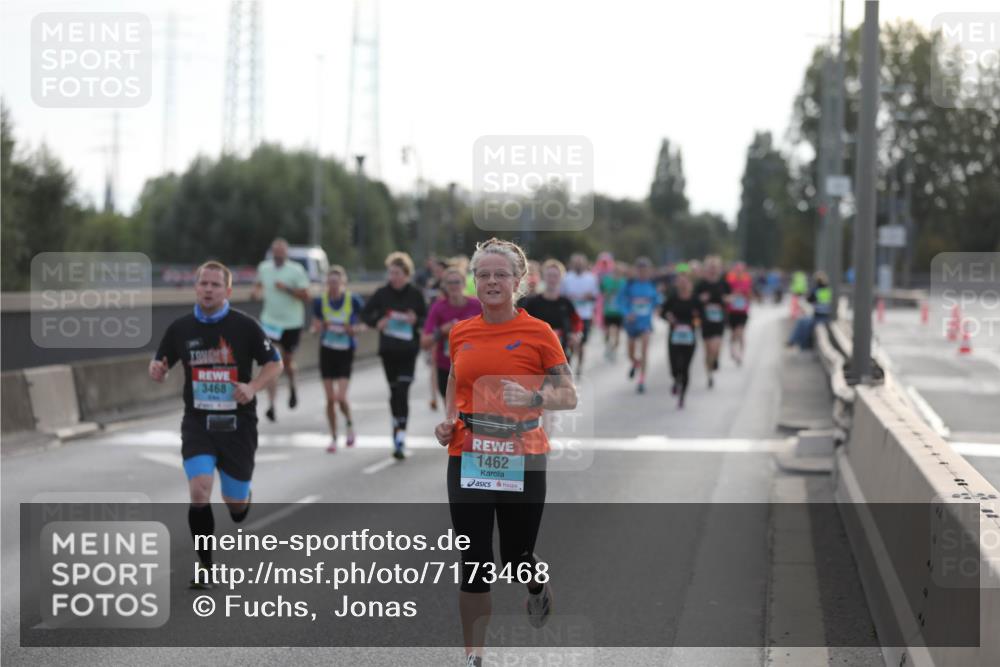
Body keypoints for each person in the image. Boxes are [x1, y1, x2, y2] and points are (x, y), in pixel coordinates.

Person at [433, 237, 578, 667]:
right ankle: (474, 656)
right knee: (474, 559)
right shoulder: (462, 332)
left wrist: (533, 398)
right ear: (475, 282)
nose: (492, 281)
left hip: (523, 454)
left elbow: (568, 394)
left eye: (501, 275)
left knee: (515, 560)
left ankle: (536, 583)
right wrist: (448, 418)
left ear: (518, 282)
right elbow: (455, 380)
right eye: (484, 275)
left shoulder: (539, 332)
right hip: (469, 453)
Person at [149, 261, 283, 588]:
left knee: (235, 506)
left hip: (238, 426)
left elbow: (274, 365)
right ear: (196, 287)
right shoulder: (180, 328)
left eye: (215, 285)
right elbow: (161, 361)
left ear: (228, 291)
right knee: (199, 490)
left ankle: (243, 497)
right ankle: (206, 566)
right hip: (198, 423)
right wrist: (158, 369)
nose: (208, 289)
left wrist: (251, 387)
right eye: (203, 284)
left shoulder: (245, 326)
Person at [361, 252, 427, 460]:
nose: (394, 277)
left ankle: (400, 434)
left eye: (397, 273)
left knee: (403, 389)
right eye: (391, 273)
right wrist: (377, 322)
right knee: (393, 391)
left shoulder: (415, 294)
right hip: (388, 349)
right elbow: (365, 314)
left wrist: (415, 319)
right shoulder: (382, 293)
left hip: (408, 349)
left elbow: (426, 318)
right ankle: (396, 426)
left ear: (406, 275)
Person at [252, 238, 310, 422]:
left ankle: (292, 384)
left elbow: (306, 296)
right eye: (275, 254)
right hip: (270, 322)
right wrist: (256, 292)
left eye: (281, 254)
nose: (277, 257)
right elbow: (259, 285)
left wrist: (287, 289)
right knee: (271, 362)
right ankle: (271, 406)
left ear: (286, 254)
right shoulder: (264, 268)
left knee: (287, 361)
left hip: (291, 323)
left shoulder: (296, 270)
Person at [311, 265, 365, 453]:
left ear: (343, 283)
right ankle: (333, 437)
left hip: (345, 352)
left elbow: (363, 325)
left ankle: (349, 425)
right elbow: (315, 326)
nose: (333, 286)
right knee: (329, 399)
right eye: (330, 282)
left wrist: (353, 329)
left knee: (340, 397)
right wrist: (319, 327)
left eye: (336, 282)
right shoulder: (320, 302)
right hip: (327, 351)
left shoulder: (353, 301)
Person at [421, 265, 482, 401]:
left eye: (457, 282)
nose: (453, 286)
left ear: (464, 284)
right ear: (444, 286)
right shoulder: (438, 307)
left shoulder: (477, 305)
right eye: (449, 283)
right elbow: (425, 342)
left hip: (473, 366)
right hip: (447, 367)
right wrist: (442, 330)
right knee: (452, 416)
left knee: (471, 413)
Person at [519, 259, 582, 354]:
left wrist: (576, 335)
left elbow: (577, 321)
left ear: (561, 278)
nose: (552, 279)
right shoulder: (532, 302)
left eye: (555, 276)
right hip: (537, 351)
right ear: (544, 277)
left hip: (561, 351)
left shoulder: (566, 303)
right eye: (549, 275)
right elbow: (521, 324)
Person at [660, 269, 701, 408]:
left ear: (690, 284)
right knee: (674, 366)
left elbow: (702, 317)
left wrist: (695, 321)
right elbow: (663, 312)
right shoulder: (673, 297)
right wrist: (669, 318)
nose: (683, 284)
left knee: (685, 367)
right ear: (677, 284)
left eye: (685, 282)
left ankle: (682, 395)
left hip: (689, 337)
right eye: (680, 281)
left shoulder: (695, 299)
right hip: (674, 336)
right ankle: (675, 380)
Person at [620, 257, 661, 394]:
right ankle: (635, 362)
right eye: (640, 270)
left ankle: (642, 380)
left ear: (649, 271)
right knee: (630, 354)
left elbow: (658, 299)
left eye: (645, 270)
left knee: (644, 351)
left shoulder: (652, 285)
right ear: (636, 271)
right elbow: (620, 301)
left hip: (645, 324)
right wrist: (627, 313)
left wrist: (657, 308)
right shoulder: (630, 284)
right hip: (632, 323)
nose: (643, 273)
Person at [560, 253, 599, 375]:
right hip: (570, 315)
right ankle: (569, 366)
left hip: (585, 315)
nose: (578, 265)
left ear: (584, 264)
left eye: (580, 262)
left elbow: (595, 296)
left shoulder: (591, 278)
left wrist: (588, 296)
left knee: (581, 344)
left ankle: (580, 366)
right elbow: (561, 296)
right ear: (572, 264)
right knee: (570, 342)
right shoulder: (566, 277)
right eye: (576, 262)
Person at [695, 255, 730, 388]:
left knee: (716, 347)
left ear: (719, 269)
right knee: (707, 350)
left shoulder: (723, 283)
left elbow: (730, 296)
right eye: (710, 267)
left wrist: (727, 299)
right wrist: (701, 299)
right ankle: (709, 375)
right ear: (706, 269)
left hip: (719, 320)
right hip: (705, 320)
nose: (713, 270)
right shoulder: (701, 284)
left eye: (715, 267)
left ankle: (715, 360)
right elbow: (694, 299)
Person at [725, 261, 753, 366]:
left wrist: (746, 295)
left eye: (741, 270)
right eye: (737, 270)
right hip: (732, 311)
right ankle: (732, 350)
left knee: (740, 333)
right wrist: (734, 294)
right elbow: (726, 293)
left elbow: (750, 294)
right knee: (733, 333)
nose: (739, 272)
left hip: (743, 311)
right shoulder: (730, 279)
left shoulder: (747, 279)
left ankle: (740, 355)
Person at [600, 262, 628, 361]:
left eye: (619, 271)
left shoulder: (624, 282)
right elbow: (601, 291)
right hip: (608, 311)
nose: (617, 272)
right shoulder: (607, 280)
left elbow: (627, 296)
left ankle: (614, 350)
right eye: (616, 270)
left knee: (617, 334)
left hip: (619, 313)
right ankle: (607, 346)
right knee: (607, 332)